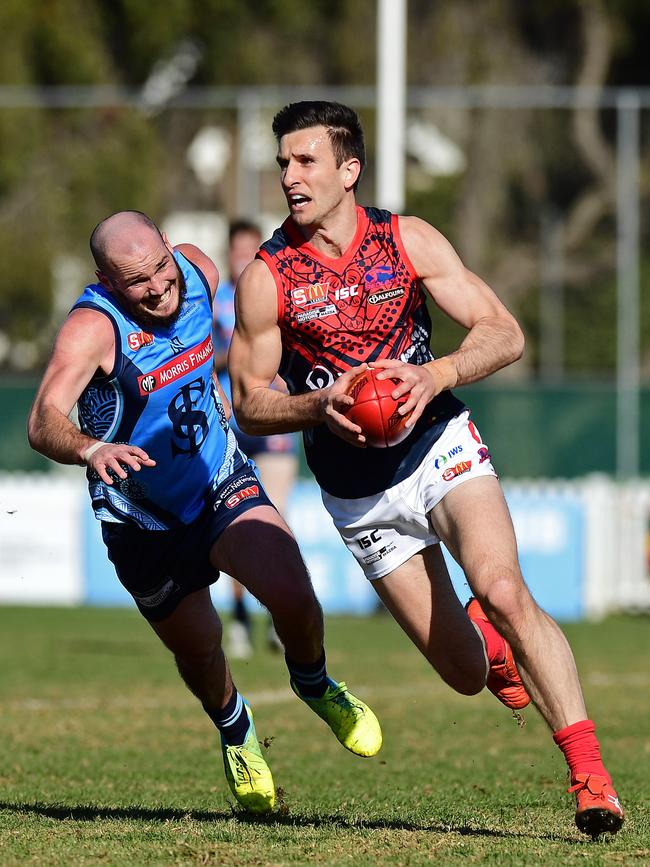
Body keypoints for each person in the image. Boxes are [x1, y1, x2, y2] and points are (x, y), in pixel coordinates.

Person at [228, 101, 624, 837]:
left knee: (503, 587)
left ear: (349, 170)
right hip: (359, 493)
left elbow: (504, 331)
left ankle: (590, 775)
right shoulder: (268, 275)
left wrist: (434, 375)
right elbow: (248, 404)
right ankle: (492, 651)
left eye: (306, 160)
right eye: (283, 161)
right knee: (465, 673)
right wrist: (318, 408)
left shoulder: (404, 239)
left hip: (440, 444)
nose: (289, 175)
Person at [27, 209, 382, 815]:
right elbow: (42, 420)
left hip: (219, 478)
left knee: (293, 595)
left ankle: (315, 682)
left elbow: (230, 341)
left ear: (171, 247)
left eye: (161, 267)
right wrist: (93, 447)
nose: (159, 287)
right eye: (137, 281)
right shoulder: (92, 328)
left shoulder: (199, 267)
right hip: (141, 518)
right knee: (200, 650)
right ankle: (237, 732)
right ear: (106, 280)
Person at [213, 219, 299, 658]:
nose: (243, 258)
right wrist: (231, 357)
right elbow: (199, 357)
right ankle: (242, 618)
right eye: (237, 251)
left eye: (251, 249)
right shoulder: (216, 301)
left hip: (274, 421)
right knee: (239, 522)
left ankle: (277, 618)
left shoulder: (276, 291)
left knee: (275, 520)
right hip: (232, 421)